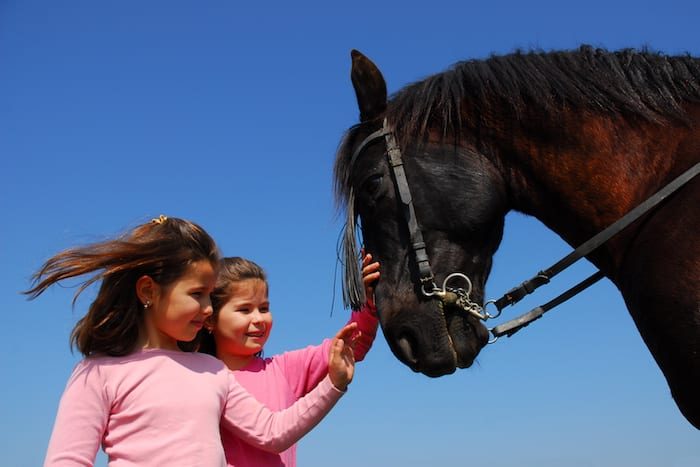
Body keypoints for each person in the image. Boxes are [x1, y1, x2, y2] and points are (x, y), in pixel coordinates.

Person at [24, 215, 356, 467]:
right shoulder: (97, 373)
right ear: (148, 291)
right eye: (197, 294)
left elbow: (272, 432)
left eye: (211, 296)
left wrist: (333, 384)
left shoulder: (212, 370)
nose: (208, 309)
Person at [198, 252, 380, 467]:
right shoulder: (196, 378)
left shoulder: (284, 370)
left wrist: (368, 302)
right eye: (244, 310)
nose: (258, 319)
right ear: (210, 319)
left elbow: (350, 346)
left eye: (264, 308)